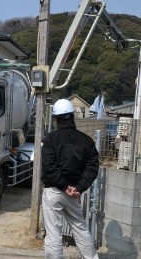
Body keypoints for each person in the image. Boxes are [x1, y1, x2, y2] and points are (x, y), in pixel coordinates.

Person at [41, 99, 99, 259]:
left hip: (54, 191)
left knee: (53, 233)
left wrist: (64, 186)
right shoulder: (87, 141)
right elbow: (92, 167)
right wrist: (78, 187)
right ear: (72, 116)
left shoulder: (50, 139)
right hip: (74, 193)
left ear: (56, 119)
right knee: (80, 229)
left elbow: (49, 167)